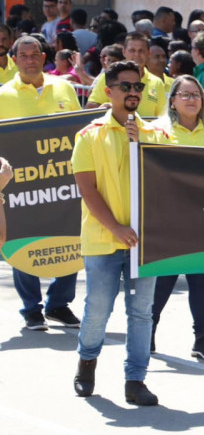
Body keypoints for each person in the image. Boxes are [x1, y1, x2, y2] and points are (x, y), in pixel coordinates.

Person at [71, 60, 178, 407]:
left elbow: (171, 178)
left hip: (146, 243)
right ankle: (87, 361)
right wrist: (116, 227)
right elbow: (88, 190)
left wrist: (141, 145)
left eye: (138, 87)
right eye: (126, 86)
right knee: (98, 309)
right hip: (104, 239)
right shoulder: (88, 135)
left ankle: (136, 379)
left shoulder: (158, 134)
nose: (133, 92)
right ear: (109, 91)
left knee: (142, 311)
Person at [0, 35, 84, 330]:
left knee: (72, 237)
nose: (30, 60)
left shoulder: (63, 87)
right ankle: (31, 308)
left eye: (35, 54)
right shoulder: (3, 94)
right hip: (19, 186)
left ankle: (59, 304)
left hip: (63, 182)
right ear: (14, 60)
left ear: (43, 56)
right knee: (23, 241)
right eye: (23, 56)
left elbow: (79, 131)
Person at [150, 76, 204, 359]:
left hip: (202, 219)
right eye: (185, 94)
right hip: (167, 219)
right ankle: (148, 331)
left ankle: (202, 338)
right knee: (163, 279)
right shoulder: (157, 131)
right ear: (172, 100)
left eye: (196, 94)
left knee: (201, 280)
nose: (192, 99)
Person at [87, 32, 169, 118]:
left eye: (141, 51)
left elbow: (162, 117)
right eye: (132, 50)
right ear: (124, 51)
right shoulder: (109, 76)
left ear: (148, 53)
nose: (137, 55)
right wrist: (105, 109)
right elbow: (90, 108)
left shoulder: (157, 83)